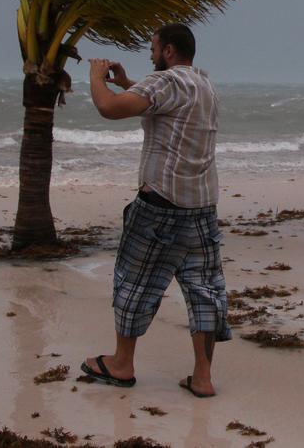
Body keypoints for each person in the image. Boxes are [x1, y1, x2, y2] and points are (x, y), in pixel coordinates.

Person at [80, 23, 229, 397]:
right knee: (204, 290)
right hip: (201, 207)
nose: (150, 54)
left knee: (134, 282)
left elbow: (109, 108)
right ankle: (203, 378)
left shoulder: (165, 83)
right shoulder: (205, 85)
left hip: (160, 205)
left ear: (168, 51)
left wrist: (97, 77)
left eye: (153, 48)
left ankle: (122, 364)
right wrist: (129, 80)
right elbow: (158, 101)